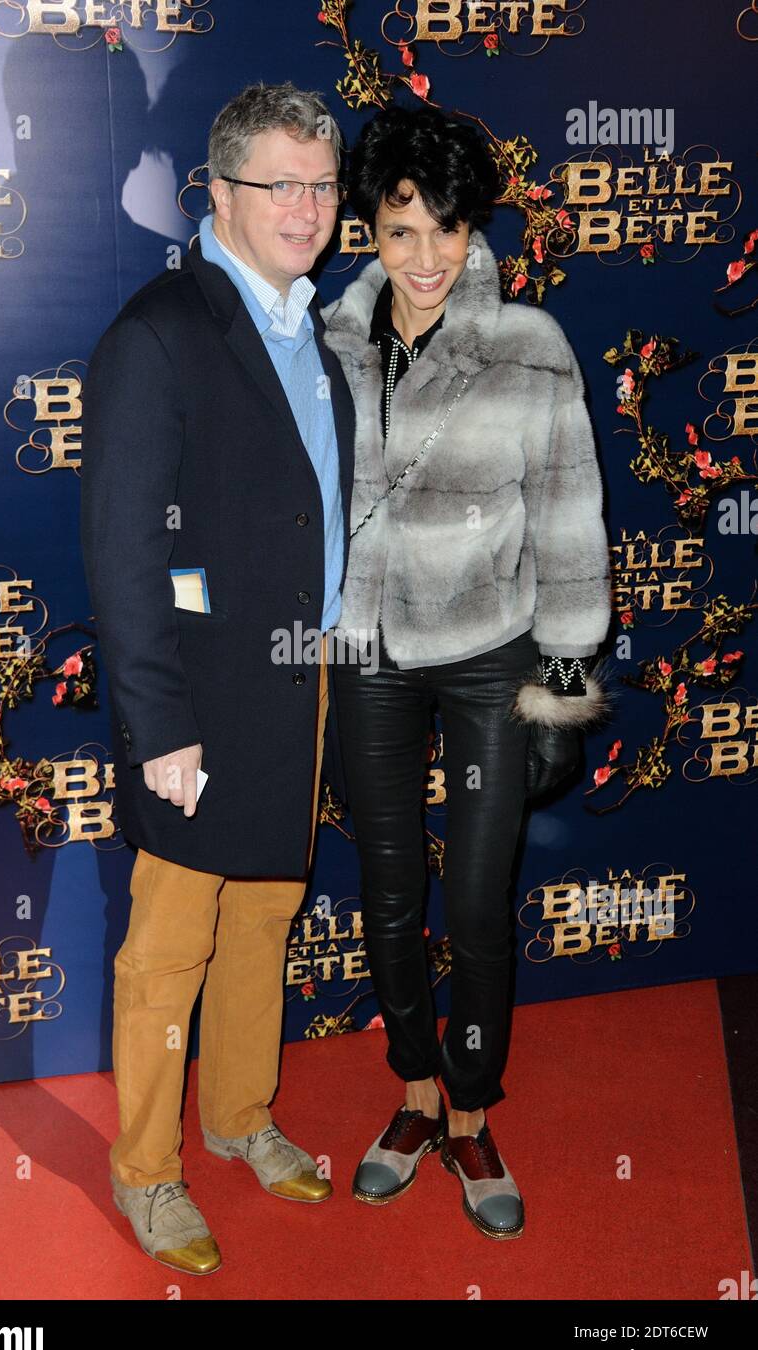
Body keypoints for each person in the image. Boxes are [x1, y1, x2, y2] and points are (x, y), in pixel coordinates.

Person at [321, 104, 612, 1239]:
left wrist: (564, 681)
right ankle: (410, 1093)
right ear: (369, 229)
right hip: (369, 658)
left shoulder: (529, 345)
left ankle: (472, 1109)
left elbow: (569, 515)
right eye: (400, 229)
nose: (427, 256)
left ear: (473, 225)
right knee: (389, 896)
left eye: (446, 227)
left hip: (490, 658)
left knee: (479, 901)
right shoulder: (328, 343)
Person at [80, 81, 356, 1275]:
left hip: (300, 683)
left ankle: (240, 1114)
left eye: (321, 183)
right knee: (169, 947)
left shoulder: (317, 336)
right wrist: (158, 725)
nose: (305, 207)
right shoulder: (156, 333)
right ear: (220, 192)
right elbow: (124, 553)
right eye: (278, 183)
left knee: (264, 918)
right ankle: (145, 1171)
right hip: (195, 700)